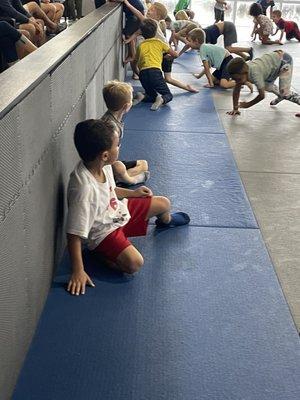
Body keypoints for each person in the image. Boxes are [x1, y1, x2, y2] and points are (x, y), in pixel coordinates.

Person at [66, 119, 190, 295]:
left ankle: (167, 221)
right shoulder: (83, 189)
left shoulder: (104, 166)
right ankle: (101, 255)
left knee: (164, 203)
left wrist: (134, 193)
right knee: (134, 264)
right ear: (105, 155)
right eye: (117, 145)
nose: (119, 148)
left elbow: (110, 190)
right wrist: (78, 270)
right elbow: (73, 234)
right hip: (103, 232)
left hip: (118, 211)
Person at [119, 0, 198, 93]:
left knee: (166, 77)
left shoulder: (153, 23)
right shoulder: (150, 24)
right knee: (166, 78)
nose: (148, 11)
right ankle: (186, 87)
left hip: (166, 54)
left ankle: (186, 87)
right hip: (164, 52)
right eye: (149, 8)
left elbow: (139, 14)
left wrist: (127, 3)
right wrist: (128, 40)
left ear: (157, 16)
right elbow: (138, 32)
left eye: (151, 10)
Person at [101, 80, 150, 184]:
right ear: (126, 106)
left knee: (144, 164)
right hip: (106, 164)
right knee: (119, 167)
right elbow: (106, 156)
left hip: (112, 161)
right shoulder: (111, 127)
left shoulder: (114, 118)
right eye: (132, 100)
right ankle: (130, 180)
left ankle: (119, 178)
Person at [226, 51, 300, 117]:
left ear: (245, 72)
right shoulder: (242, 72)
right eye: (235, 80)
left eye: (238, 79)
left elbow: (262, 96)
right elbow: (236, 90)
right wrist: (235, 108)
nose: (238, 82)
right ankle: (281, 95)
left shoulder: (255, 74)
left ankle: (282, 95)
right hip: (272, 66)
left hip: (284, 61)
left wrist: (248, 104)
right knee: (267, 87)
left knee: (284, 92)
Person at [187, 28, 253, 90]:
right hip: (222, 64)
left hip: (226, 61)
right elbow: (208, 66)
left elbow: (207, 69)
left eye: (189, 41)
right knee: (213, 80)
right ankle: (233, 82)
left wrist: (211, 84)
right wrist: (199, 76)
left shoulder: (202, 50)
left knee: (223, 84)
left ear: (196, 41)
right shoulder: (204, 48)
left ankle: (242, 81)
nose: (187, 43)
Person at [134, 18, 177, 110]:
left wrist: (138, 73)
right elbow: (175, 54)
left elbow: (134, 63)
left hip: (143, 74)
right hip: (155, 72)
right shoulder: (159, 43)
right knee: (168, 95)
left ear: (141, 33)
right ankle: (162, 99)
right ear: (156, 30)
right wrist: (168, 57)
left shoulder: (140, 46)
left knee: (152, 96)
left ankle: (142, 96)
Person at [179, 21, 253, 60]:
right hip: (226, 26)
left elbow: (205, 51)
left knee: (228, 49)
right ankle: (245, 57)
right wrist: (179, 54)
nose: (189, 41)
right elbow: (190, 45)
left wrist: (178, 54)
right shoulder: (200, 34)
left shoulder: (202, 36)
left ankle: (248, 49)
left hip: (228, 27)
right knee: (229, 48)